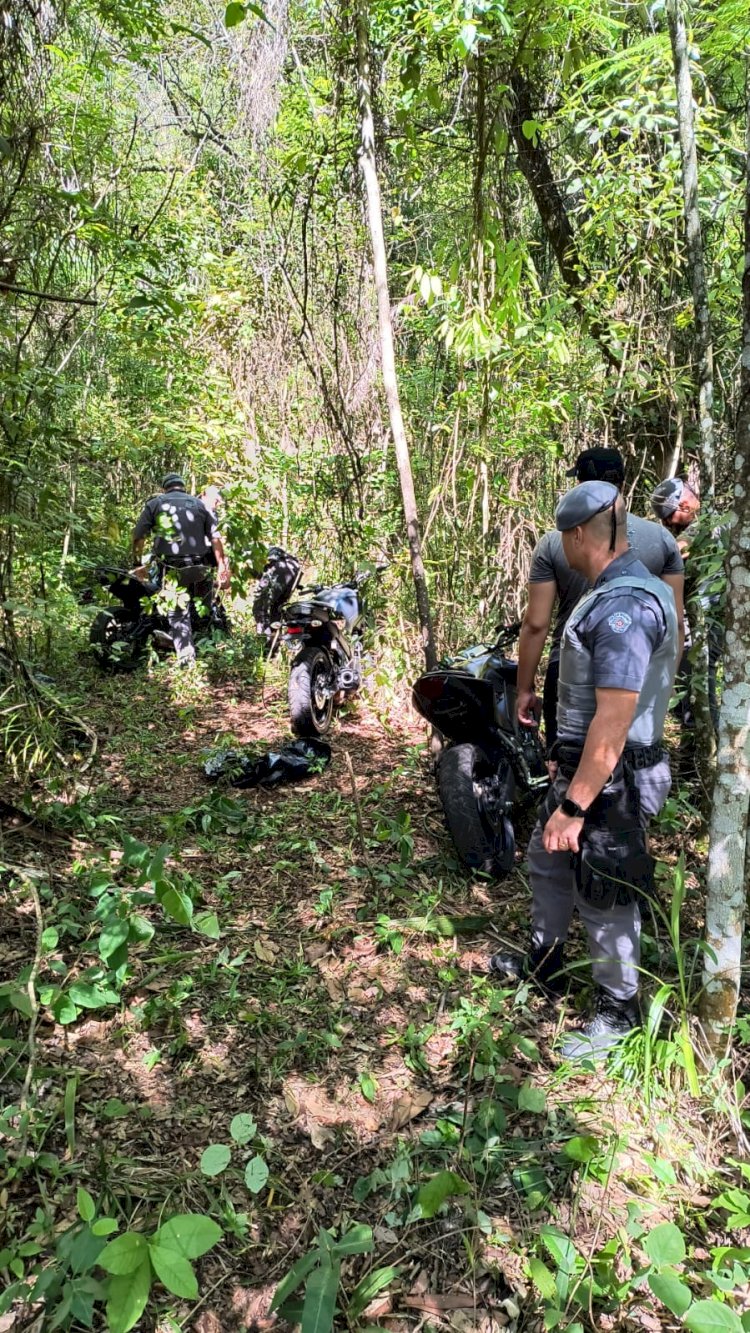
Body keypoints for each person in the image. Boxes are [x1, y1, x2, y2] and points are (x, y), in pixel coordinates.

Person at [490, 482, 679, 1061]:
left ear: (576, 535)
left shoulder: (624, 606)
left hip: (615, 776)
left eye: (559, 537)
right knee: (547, 860)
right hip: (589, 770)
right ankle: (545, 965)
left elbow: (614, 720)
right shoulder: (614, 591)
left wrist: (575, 805)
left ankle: (619, 1012)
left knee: (603, 889)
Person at [517, 447, 684, 751]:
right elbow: (675, 621)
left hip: (569, 670)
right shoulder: (661, 540)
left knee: (567, 765)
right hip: (638, 672)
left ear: (579, 485)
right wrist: (665, 684)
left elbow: (536, 624)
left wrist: (524, 689)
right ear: (622, 482)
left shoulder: (557, 542)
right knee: (630, 765)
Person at [650, 477, 725, 736]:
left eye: (669, 516)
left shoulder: (706, 524)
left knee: (701, 678)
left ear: (683, 505)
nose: (668, 523)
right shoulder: (710, 523)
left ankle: (708, 740)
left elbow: (679, 548)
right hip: (706, 618)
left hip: (714, 617)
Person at [132, 472, 230, 665]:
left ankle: (187, 658)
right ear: (184, 487)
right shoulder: (201, 505)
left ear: (164, 488)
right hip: (199, 566)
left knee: (177, 612)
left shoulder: (156, 504)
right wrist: (222, 566)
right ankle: (208, 647)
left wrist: (137, 564)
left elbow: (138, 536)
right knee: (204, 606)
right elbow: (215, 539)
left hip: (171, 567)